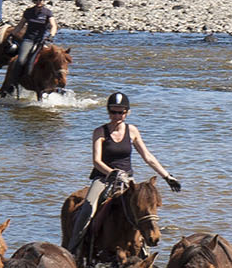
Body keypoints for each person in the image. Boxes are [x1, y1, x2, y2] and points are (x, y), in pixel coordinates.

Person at [63, 92, 183, 255]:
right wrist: (113, 173)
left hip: (128, 181)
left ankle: (143, 249)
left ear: (127, 112)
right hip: (104, 179)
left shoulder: (132, 131)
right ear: (108, 111)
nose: (117, 116)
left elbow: (148, 157)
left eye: (121, 112)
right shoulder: (100, 132)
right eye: (113, 112)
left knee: (144, 209)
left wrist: (167, 176)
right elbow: (96, 161)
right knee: (87, 211)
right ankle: (74, 249)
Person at [0, 0, 58, 97]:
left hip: (42, 41)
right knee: (21, 60)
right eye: (36, 0)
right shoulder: (28, 12)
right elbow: (20, 25)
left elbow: (53, 26)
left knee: (52, 60)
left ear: (44, 0)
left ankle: (56, 83)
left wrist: (51, 35)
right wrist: (11, 35)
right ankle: (13, 83)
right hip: (28, 40)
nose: (39, 2)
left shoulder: (48, 13)